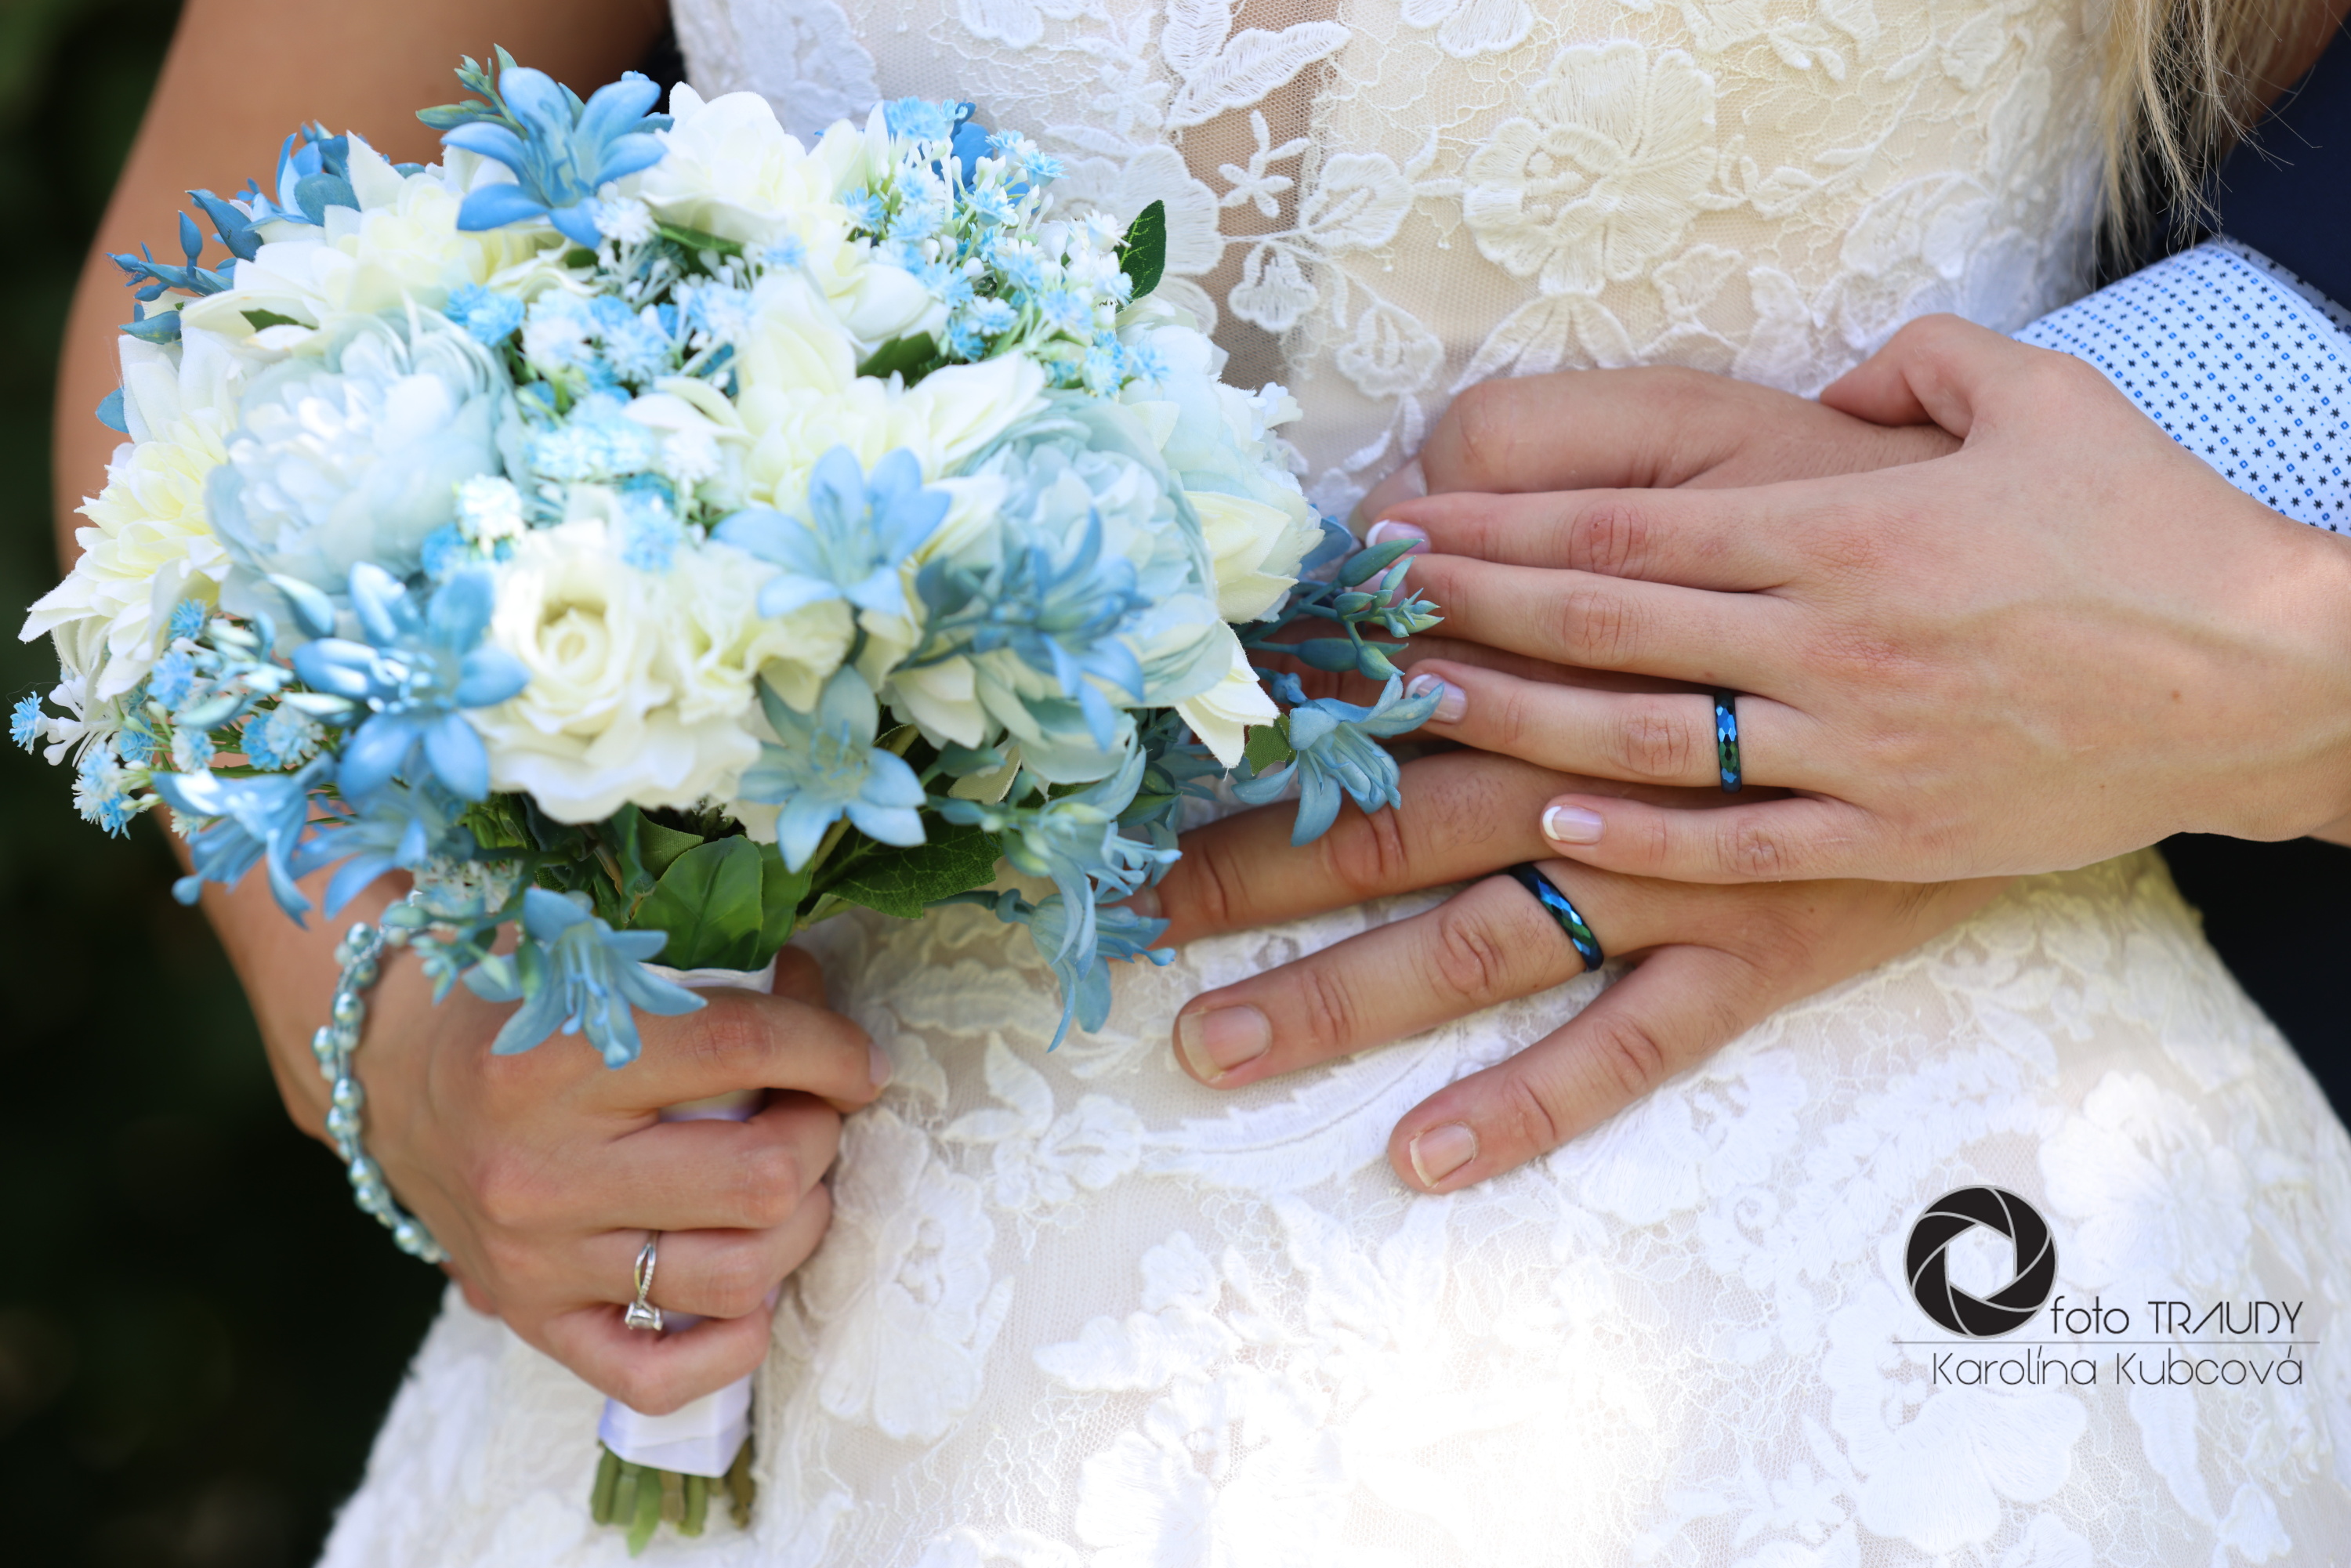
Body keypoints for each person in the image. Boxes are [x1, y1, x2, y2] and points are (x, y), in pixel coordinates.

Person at [50, 1, 2351, 1563]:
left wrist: (2272, 675)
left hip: (1930, 1329)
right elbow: (227, 300)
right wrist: (402, 1022)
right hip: (802, 1335)